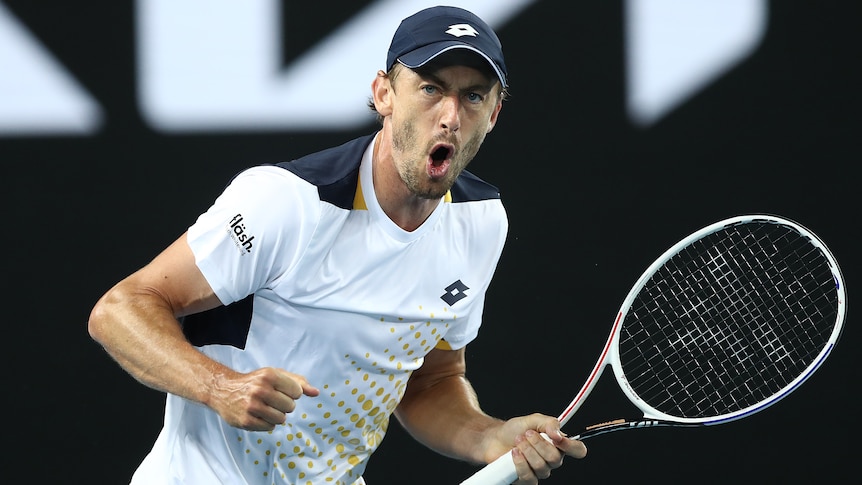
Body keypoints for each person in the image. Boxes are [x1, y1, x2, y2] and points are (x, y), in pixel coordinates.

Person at [88, 5, 587, 484]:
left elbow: (430, 380)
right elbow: (120, 309)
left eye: (474, 96)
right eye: (430, 88)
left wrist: (490, 436)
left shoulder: (480, 223)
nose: (450, 116)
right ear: (384, 93)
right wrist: (220, 387)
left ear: (494, 114)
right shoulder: (288, 201)